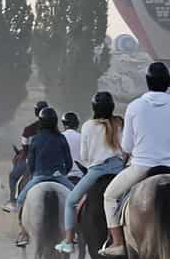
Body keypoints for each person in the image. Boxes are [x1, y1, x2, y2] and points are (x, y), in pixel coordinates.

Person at [99, 62, 170, 257]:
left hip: (140, 167)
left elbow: (127, 146)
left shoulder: (134, 106)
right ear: (169, 83)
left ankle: (118, 243)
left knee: (110, 196)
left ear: (147, 82)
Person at [55, 93, 124, 254]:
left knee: (71, 201)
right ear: (112, 107)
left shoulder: (87, 126)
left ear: (94, 108)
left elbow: (84, 156)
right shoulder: (119, 124)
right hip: (119, 170)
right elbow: (126, 148)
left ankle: (69, 241)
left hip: (96, 171)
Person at [15, 107, 74, 247]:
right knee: (78, 199)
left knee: (20, 200)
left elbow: (31, 163)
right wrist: (63, 172)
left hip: (39, 177)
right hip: (59, 177)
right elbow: (69, 161)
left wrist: (35, 174)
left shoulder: (35, 138)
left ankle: (23, 232)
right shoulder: (61, 137)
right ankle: (74, 232)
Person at [2, 100, 48, 213]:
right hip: (51, 163)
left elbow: (25, 150)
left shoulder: (29, 130)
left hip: (32, 161)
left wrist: (24, 155)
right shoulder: (56, 131)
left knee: (13, 176)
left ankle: (13, 201)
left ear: (36, 112)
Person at [60, 112, 83, 185]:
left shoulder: (58, 138)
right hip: (81, 176)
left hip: (62, 177)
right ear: (77, 124)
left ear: (64, 124)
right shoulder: (83, 137)